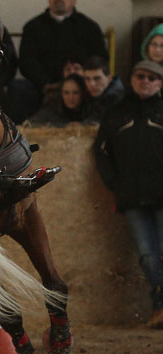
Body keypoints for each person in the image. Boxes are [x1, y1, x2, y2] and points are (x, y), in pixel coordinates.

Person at [94, 60, 163, 327]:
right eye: (139, 76)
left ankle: (159, 305)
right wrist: (114, 182)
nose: (145, 81)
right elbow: (101, 151)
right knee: (146, 254)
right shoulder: (115, 112)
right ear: (131, 79)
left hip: (161, 193)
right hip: (131, 195)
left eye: (152, 77)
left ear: (160, 83)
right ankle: (160, 304)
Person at [15, 0, 107, 120]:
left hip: (82, 86)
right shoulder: (33, 27)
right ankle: (24, 135)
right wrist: (46, 84)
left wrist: (79, 78)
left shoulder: (90, 27)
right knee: (18, 88)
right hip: (43, 87)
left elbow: (100, 59)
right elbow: (27, 61)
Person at [27, 73, 93, 126]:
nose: (70, 97)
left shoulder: (90, 107)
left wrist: (82, 125)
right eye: (66, 93)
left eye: (75, 93)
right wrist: (64, 126)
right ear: (61, 93)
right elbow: (30, 123)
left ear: (82, 94)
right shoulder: (54, 106)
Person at [81, 55, 125, 119]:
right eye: (87, 79)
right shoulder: (86, 94)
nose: (92, 84)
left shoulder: (117, 99)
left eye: (97, 78)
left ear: (109, 79)